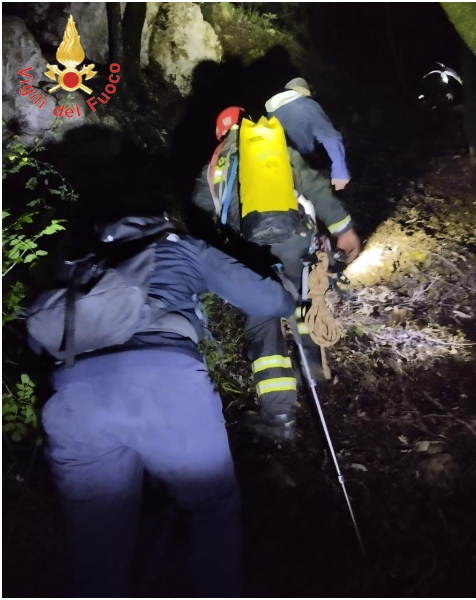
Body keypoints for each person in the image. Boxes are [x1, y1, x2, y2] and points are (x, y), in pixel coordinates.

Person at [33, 126, 297, 596]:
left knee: (97, 548)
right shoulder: (182, 249)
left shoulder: (78, 259)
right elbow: (271, 303)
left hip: (74, 398)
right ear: (155, 207)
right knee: (210, 505)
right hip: (165, 385)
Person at [191, 107, 361, 442]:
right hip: (295, 240)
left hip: (248, 249)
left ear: (222, 133)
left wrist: (220, 259)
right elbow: (316, 188)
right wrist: (344, 229)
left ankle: (280, 415)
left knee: (262, 322)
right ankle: (313, 372)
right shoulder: (278, 151)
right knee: (303, 303)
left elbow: (200, 214)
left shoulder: (215, 165)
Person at [265, 77, 351, 191]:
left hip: (274, 163)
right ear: (304, 92)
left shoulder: (271, 111)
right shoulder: (307, 105)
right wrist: (340, 173)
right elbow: (330, 138)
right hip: (299, 163)